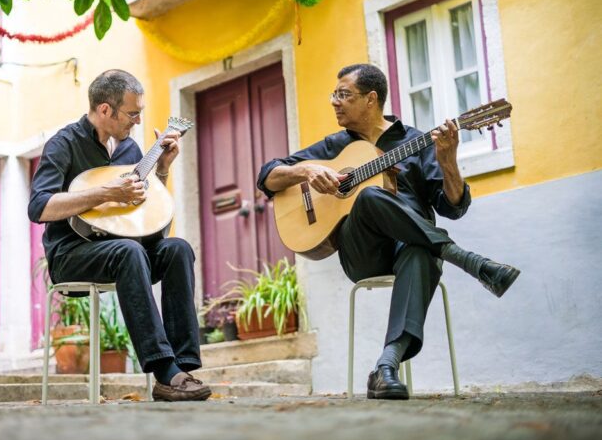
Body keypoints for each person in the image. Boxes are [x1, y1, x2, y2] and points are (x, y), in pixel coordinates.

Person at [256, 64, 520, 400]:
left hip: (413, 248)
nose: (334, 102)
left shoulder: (416, 141)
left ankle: (385, 366)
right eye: (333, 95)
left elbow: (452, 207)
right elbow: (267, 177)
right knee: (368, 196)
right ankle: (467, 260)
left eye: (343, 95)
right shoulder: (336, 146)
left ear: (371, 99)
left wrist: (448, 160)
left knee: (420, 251)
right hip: (362, 253)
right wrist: (305, 170)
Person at [28, 69, 211, 402]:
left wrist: (163, 170)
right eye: (132, 113)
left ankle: (182, 367)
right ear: (104, 110)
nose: (138, 121)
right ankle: (164, 369)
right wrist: (104, 192)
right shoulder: (63, 144)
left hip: (130, 251)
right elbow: (39, 206)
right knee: (128, 251)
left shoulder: (130, 150)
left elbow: (146, 217)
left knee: (177, 249)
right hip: (73, 254)